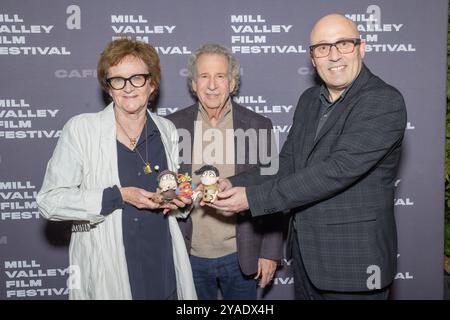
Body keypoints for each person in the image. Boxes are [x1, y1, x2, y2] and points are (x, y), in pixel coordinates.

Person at [210, 14, 407, 300]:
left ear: (361, 48)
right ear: (313, 59)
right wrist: (233, 182)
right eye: (323, 48)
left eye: (344, 44)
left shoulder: (383, 101)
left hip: (356, 267)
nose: (334, 55)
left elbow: (337, 170)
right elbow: (287, 163)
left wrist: (253, 199)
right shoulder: (308, 102)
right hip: (307, 264)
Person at [36, 38, 197, 300]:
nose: (128, 88)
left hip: (162, 263)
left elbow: (173, 193)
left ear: (152, 83)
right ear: (108, 88)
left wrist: (179, 200)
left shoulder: (166, 129)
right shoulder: (81, 130)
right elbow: (49, 201)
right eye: (118, 80)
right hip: (110, 268)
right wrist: (118, 196)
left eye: (137, 78)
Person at [167, 43, 283, 300]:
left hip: (241, 254)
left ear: (232, 83)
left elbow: (273, 188)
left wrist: (270, 251)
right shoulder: (172, 127)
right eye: (204, 77)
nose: (211, 85)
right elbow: (166, 187)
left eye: (220, 76)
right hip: (190, 256)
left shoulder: (258, 126)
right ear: (194, 84)